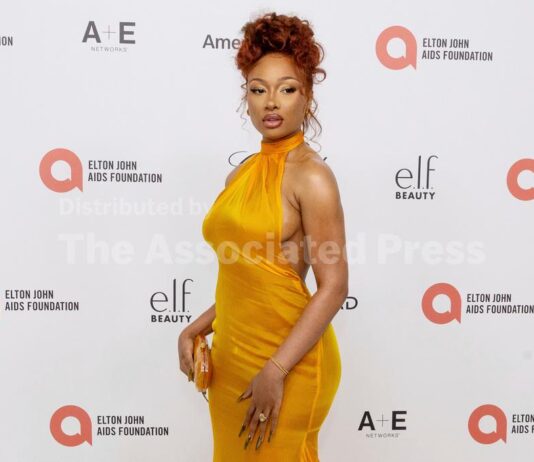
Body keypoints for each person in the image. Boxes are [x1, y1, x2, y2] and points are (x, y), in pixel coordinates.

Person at [178, 11, 348, 461]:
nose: (271, 102)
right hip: (232, 359)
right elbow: (247, 280)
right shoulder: (240, 175)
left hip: (289, 363)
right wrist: (195, 328)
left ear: (307, 96)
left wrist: (276, 369)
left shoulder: (313, 177)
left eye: (286, 89)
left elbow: (334, 287)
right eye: (258, 90)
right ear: (246, 99)